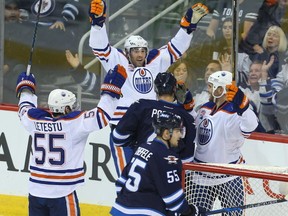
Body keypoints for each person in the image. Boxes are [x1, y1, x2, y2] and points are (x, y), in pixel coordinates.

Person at [88, 0, 208, 173]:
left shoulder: (153, 61)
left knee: (148, 176)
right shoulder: (118, 61)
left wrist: (188, 27)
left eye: (142, 50)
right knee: (126, 176)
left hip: (147, 129)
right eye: (135, 51)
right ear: (127, 52)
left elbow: (175, 48)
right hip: (122, 127)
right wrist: (97, 24)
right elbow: (99, 47)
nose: (140, 54)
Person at [16, 64, 127, 215]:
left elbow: (24, 109)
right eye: (72, 106)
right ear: (66, 109)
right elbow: (102, 115)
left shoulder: (34, 121)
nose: (75, 108)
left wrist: (26, 89)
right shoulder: (74, 124)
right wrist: (111, 89)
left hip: (36, 193)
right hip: (62, 193)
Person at [110, 111, 206, 216]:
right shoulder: (168, 158)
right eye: (178, 131)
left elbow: (120, 182)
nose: (180, 135)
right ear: (166, 133)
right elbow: (173, 200)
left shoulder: (143, 147)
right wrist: (191, 211)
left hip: (119, 209)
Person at [191, 71, 258, 213]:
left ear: (219, 89)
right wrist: (187, 108)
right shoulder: (205, 108)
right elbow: (194, 133)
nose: (208, 89)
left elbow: (250, 126)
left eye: (211, 86)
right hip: (201, 176)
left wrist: (244, 107)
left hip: (229, 176)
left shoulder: (235, 112)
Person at [111, 72, 196, 176]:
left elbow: (118, 138)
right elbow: (187, 161)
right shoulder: (186, 117)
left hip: (142, 170)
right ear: (175, 89)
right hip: (169, 176)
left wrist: (136, 141)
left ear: (155, 89)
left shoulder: (141, 106)